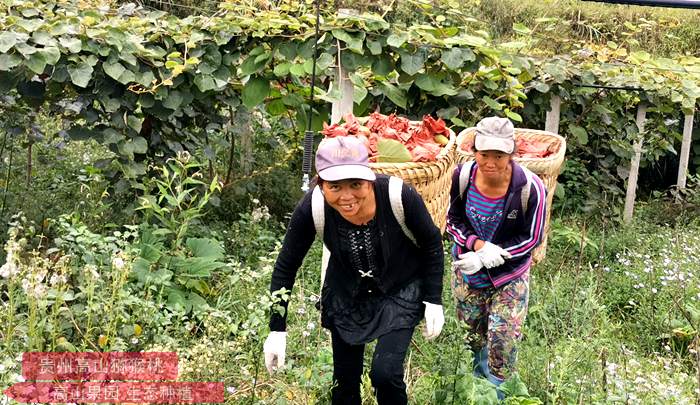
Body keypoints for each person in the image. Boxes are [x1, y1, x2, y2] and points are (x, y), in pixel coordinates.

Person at [263, 136, 445, 405]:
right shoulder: (312, 206)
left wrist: (433, 300)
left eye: (356, 184)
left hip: (400, 288)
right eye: (334, 186)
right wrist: (277, 329)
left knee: (385, 374)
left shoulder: (398, 195)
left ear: (369, 180)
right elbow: (286, 266)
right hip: (346, 294)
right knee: (344, 382)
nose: (346, 197)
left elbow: (431, 243)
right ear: (321, 184)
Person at [446, 117, 547, 396]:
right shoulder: (462, 176)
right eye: (484, 154)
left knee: (502, 343)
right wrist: (477, 246)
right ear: (474, 151)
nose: (490, 162)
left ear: (511, 154)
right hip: (468, 272)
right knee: (472, 338)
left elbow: (532, 237)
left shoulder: (530, 188)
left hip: (509, 278)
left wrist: (498, 255)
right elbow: (452, 220)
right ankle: (477, 392)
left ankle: (498, 396)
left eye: (499, 156)